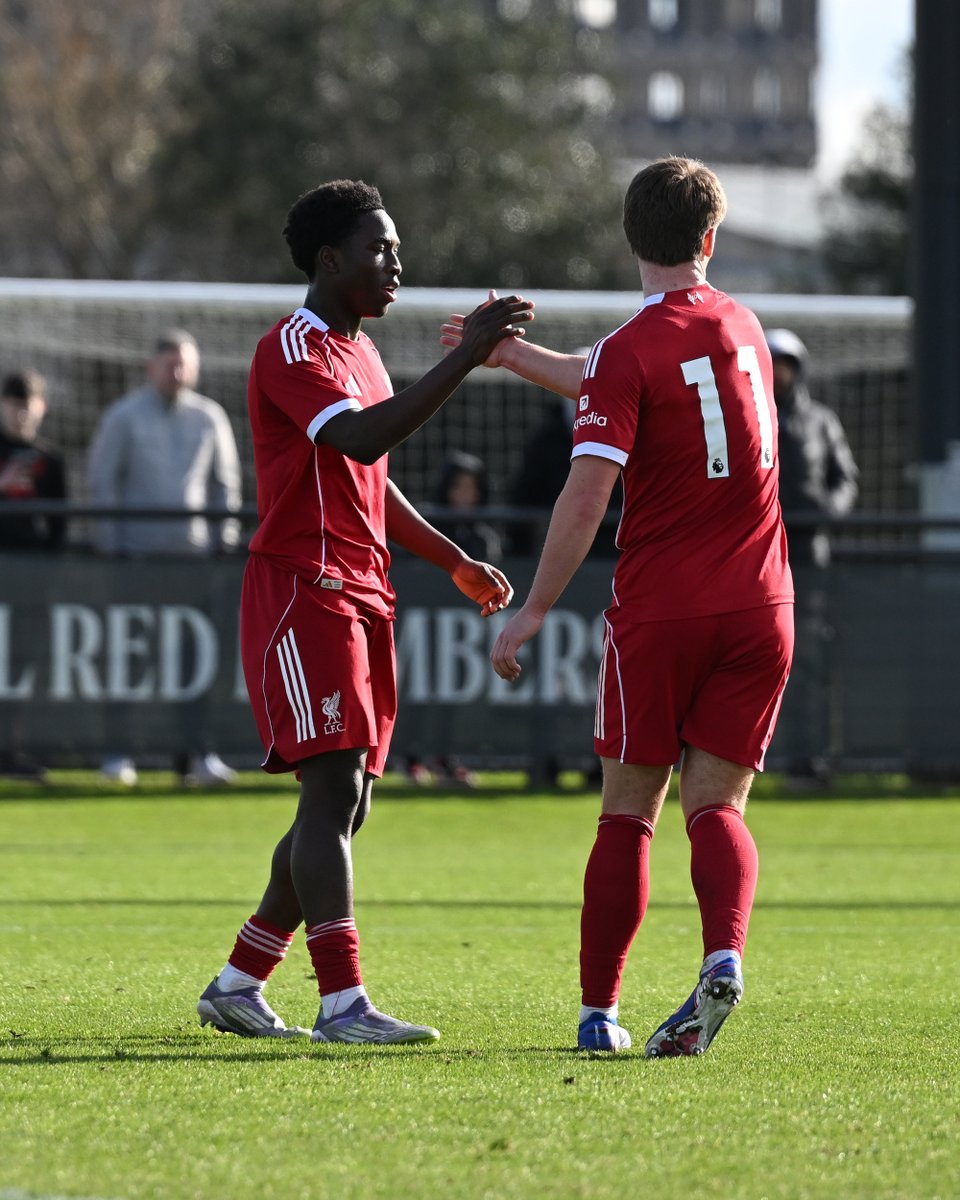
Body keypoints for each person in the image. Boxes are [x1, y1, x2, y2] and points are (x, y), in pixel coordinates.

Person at [448, 157, 794, 1056]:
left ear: (629, 239)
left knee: (628, 813)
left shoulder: (628, 351)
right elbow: (620, 378)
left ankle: (600, 1012)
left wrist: (531, 612)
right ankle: (723, 956)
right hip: (763, 606)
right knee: (718, 808)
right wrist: (518, 358)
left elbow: (586, 492)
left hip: (663, 611)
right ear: (709, 240)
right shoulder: (746, 328)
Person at [196, 179, 533, 1044]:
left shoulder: (366, 358)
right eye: (380, 249)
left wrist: (453, 558)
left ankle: (240, 978)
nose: (397, 264)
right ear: (328, 258)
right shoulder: (292, 348)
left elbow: (372, 485)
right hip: (302, 590)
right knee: (333, 785)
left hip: (363, 591)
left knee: (345, 804)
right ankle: (342, 1001)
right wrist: (468, 355)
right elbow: (357, 439)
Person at [87, 330, 243, 787]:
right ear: (150, 366)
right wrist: (110, 546)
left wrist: (222, 540)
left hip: (193, 562)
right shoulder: (123, 416)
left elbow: (225, 483)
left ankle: (195, 756)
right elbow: (103, 480)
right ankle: (118, 755)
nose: (177, 371)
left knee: (195, 664)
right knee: (128, 659)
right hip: (134, 561)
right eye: (169, 363)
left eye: (184, 363)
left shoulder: (209, 417)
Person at [766, 327, 859, 783]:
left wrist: (828, 511)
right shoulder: (748, 415)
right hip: (757, 554)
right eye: (772, 363)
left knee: (807, 659)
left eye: (786, 364)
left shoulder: (821, 420)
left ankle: (809, 755)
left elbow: (845, 478)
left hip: (809, 558)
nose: (779, 372)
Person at [0, 369, 66, 781]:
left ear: (41, 408)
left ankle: (11, 750)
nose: (22, 414)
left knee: (19, 670)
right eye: (14, 404)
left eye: (29, 405)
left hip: (29, 585)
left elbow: (59, 524)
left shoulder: (49, 460)